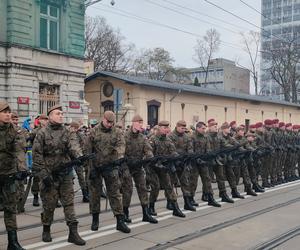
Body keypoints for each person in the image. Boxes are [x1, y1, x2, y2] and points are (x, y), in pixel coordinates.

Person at [32, 105, 86, 245]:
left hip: (65, 174)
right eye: (58, 113)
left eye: (62, 113)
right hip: (49, 175)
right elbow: (37, 156)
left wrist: (79, 156)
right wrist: (44, 175)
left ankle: (73, 233)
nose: (61, 115)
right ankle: (46, 229)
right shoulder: (42, 133)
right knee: (49, 205)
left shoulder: (67, 132)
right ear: (50, 116)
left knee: (69, 203)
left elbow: (73, 146)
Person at [89, 111, 130, 233]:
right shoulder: (93, 131)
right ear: (103, 119)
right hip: (96, 167)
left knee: (115, 194)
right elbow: (88, 151)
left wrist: (119, 156)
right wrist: (90, 169)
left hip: (111, 166)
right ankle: (95, 219)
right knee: (95, 195)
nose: (110, 125)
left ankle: (120, 221)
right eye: (108, 122)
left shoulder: (117, 132)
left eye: (112, 122)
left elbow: (121, 145)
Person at [121, 114, 158, 224]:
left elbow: (148, 149)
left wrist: (149, 157)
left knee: (143, 188)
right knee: (127, 190)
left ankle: (145, 213)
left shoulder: (142, 137)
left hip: (138, 166)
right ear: (133, 123)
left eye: (142, 123)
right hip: (126, 166)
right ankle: (125, 213)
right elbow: (120, 151)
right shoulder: (124, 136)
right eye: (139, 122)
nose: (140, 125)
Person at [0, 101, 25, 250]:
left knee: (10, 208)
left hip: (9, 175)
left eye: (9, 112)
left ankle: (13, 242)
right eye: (4, 112)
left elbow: (19, 150)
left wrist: (21, 168)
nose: (8, 114)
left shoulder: (15, 130)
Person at [148, 120, 185, 218]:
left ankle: (175, 208)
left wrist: (179, 158)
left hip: (164, 167)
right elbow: (149, 155)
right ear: (159, 128)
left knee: (169, 186)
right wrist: (157, 163)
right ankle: (151, 207)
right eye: (164, 128)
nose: (167, 129)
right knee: (155, 187)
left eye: (167, 127)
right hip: (153, 167)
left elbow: (173, 152)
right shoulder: (152, 139)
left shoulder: (168, 140)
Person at [29, 114, 48, 207]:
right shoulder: (35, 131)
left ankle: (52, 199)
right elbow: (30, 140)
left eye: (46, 119)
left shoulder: (50, 130)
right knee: (36, 178)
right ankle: (35, 196)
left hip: (48, 158)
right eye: (43, 119)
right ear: (40, 120)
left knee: (49, 178)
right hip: (37, 158)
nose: (45, 121)